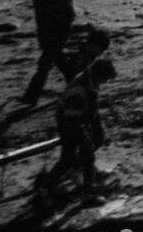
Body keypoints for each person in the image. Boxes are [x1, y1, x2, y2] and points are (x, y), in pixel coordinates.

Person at [43, 56, 116, 196]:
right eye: (105, 79)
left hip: (82, 115)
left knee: (98, 138)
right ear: (98, 75)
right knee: (75, 158)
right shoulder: (79, 91)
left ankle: (76, 169)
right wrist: (84, 140)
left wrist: (96, 127)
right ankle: (86, 193)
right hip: (68, 122)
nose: (106, 82)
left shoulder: (91, 80)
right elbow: (72, 121)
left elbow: (91, 107)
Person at [18, 0, 75, 105]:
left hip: (54, 36)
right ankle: (75, 86)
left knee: (44, 68)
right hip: (52, 36)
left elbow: (56, 17)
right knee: (62, 65)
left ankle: (31, 97)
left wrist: (56, 33)